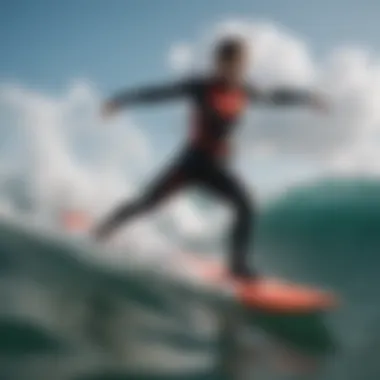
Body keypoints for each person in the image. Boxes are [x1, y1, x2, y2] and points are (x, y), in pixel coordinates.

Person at [94, 36, 326, 280]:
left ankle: (237, 267)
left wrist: (307, 98)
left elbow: (276, 97)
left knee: (246, 206)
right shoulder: (201, 88)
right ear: (218, 63)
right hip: (190, 164)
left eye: (238, 65)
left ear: (243, 65)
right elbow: (159, 93)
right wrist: (120, 100)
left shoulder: (245, 91)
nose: (231, 71)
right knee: (145, 204)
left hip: (217, 168)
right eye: (226, 65)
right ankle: (102, 230)